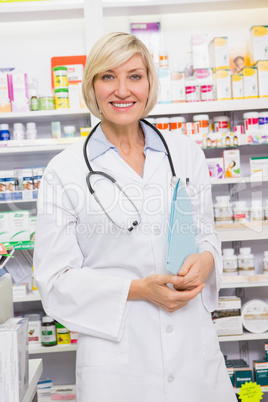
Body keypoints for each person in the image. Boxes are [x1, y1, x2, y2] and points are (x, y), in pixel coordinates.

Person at [34, 32, 237, 402]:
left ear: (149, 84)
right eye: (108, 76)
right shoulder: (63, 171)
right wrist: (137, 289)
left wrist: (207, 260)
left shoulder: (184, 152)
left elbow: (206, 234)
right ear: (92, 87)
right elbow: (54, 280)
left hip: (193, 351)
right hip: (118, 359)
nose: (122, 90)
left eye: (134, 76)